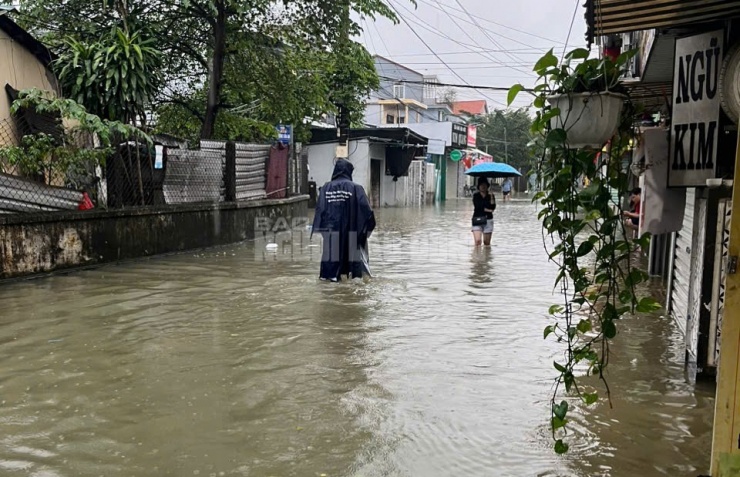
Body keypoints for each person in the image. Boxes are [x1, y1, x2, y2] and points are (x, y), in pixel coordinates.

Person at [311, 158, 376, 282]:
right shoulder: (356, 189)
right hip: (351, 236)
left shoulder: (325, 188)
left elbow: (320, 211)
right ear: (349, 172)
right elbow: (367, 213)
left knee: (329, 276)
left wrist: (325, 232)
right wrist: (365, 233)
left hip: (331, 237)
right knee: (354, 276)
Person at [471, 177, 496, 247]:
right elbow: (478, 207)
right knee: (478, 241)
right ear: (478, 186)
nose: (483, 186)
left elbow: (493, 207)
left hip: (488, 220)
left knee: (486, 243)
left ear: (487, 186)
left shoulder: (491, 195)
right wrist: (488, 210)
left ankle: (486, 256)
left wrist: (491, 197)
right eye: (481, 185)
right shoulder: (476, 196)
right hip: (477, 219)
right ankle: (477, 256)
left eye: (485, 185)